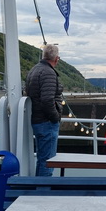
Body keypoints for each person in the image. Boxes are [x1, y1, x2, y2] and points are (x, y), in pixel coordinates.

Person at [25, 44, 64, 176]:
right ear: (56, 58)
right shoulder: (48, 72)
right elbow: (47, 100)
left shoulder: (34, 70)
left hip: (37, 119)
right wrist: (55, 117)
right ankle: (43, 192)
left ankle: (39, 188)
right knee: (48, 160)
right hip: (46, 122)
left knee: (42, 158)